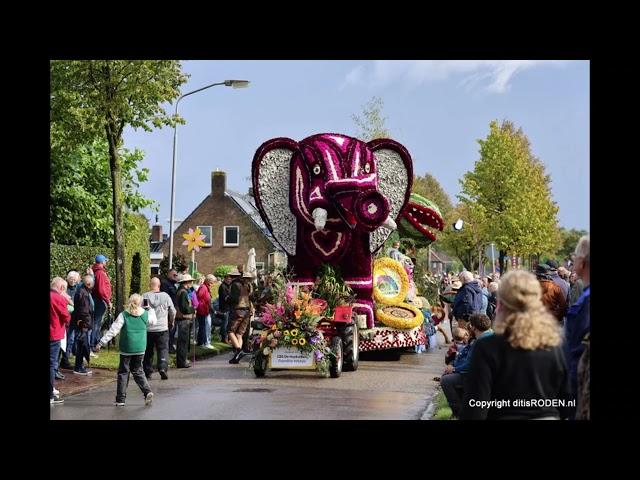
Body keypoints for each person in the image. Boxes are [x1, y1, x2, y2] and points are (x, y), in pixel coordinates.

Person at [461, 271, 572, 420]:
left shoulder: (487, 347)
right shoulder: (556, 344)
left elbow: (475, 407)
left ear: (500, 305)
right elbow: (567, 402)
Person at [96, 294, 157, 406]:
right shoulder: (145, 314)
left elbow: (113, 331)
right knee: (138, 370)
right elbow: (154, 321)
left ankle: (120, 399)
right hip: (140, 348)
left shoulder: (124, 315)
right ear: (141, 303)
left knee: (124, 372)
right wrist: (150, 309)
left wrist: (101, 342)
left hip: (127, 348)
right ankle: (147, 391)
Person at [440, 314, 493, 417]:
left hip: (479, 377)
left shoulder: (480, 342)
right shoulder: (492, 336)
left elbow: (470, 365)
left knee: (446, 380)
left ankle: (458, 413)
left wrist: (454, 369)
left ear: (473, 327)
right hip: (486, 375)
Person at [564, 235, 590, 418]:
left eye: (575, 256)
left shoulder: (586, 303)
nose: (573, 260)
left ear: (583, 262)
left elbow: (579, 352)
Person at [143, 277, 176, 380]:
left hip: (149, 328)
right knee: (163, 349)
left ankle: (148, 372)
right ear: (159, 285)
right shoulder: (165, 296)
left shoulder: (145, 296)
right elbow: (172, 311)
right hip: (162, 328)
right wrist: (172, 320)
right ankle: (162, 367)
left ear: (150, 285)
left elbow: (143, 310)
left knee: (148, 351)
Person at [51, 277, 71, 405]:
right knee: (52, 364)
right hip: (54, 334)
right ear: (62, 288)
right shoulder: (58, 298)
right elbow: (66, 317)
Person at [228, 270, 254, 364]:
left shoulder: (236, 285)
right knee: (239, 334)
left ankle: (238, 350)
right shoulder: (249, 286)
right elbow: (252, 298)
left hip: (238, 310)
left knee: (230, 331)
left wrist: (227, 299)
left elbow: (234, 299)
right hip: (247, 311)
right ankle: (237, 356)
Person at [71, 274, 95, 375]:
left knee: (81, 344)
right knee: (81, 345)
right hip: (83, 324)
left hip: (83, 322)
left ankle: (79, 365)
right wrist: (84, 325)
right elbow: (84, 311)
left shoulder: (84, 291)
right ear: (89, 284)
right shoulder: (84, 294)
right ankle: (78, 367)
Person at [90, 254, 112, 353]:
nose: (106, 262)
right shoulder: (100, 273)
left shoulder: (95, 271)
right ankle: (93, 344)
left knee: (96, 323)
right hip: (99, 300)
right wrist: (108, 301)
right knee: (96, 323)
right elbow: (101, 290)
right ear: (102, 262)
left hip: (97, 299)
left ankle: (95, 342)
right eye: (105, 261)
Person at [60, 271, 81, 370]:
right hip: (66, 317)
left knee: (71, 340)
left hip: (74, 318)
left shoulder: (78, 288)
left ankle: (65, 359)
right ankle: (64, 360)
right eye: (71, 279)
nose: (72, 281)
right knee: (66, 339)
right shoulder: (64, 288)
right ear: (67, 278)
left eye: (74, 279)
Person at [174, 274, 196, 368]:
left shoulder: (182, 291)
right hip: (183, 319)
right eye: (190, 281)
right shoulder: (183, 292)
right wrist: (193, 309)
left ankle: (182, 361)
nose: (191, 283)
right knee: (183, 342)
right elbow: (185, 308)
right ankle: (182, 362)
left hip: (183, 319)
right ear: (186, 282)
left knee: (183, 341)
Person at [161, 268, 179, 353]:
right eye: (174, 275)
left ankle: (170, 346)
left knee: (172, 329)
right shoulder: (165, 284)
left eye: (176, 275)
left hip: (172, 310)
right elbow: (166, 298)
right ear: (168, 274)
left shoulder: (172, 284)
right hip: (168, 311)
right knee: (170, 329)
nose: (176, 277)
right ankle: (168, 347)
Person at [196, 274, 215, 349]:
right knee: (205, 327)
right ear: (209, 281)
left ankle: (201, 342)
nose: (213, 284)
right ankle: (205, 343)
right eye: (213, 282)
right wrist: (204, 305)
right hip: (203, 311)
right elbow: (198, 297)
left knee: (203, 327)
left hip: (204, 310)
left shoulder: (205, 287)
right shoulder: (203, 288)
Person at [217, 273, 234, 343]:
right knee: (225, 323)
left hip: (229, 307)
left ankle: (227, 337)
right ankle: (224, 338)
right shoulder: (222, 286)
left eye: (230, 279)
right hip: (224, 307)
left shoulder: (229, 286)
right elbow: (225, 298)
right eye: (228, 279)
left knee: (228, 323)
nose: (229, 280)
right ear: (225, 279)